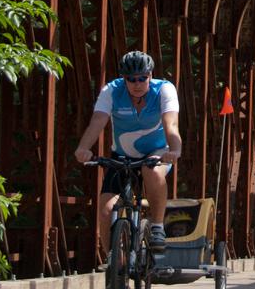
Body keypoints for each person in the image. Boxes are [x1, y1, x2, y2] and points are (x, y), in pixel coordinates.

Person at [75, 50, 181, 253]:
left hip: (157, 151)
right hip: (122, 156)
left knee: (152, 170)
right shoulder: (112, 91)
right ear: (124, 79)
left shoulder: (164, 90)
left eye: (142, 78)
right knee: (106, 210)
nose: (137, 84)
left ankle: (157, 227)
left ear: (150, 75)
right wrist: (83, 148)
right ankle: (113, 260)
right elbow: (97, 122)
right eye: (131, 79)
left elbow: (171, 125)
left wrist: (175, 150)